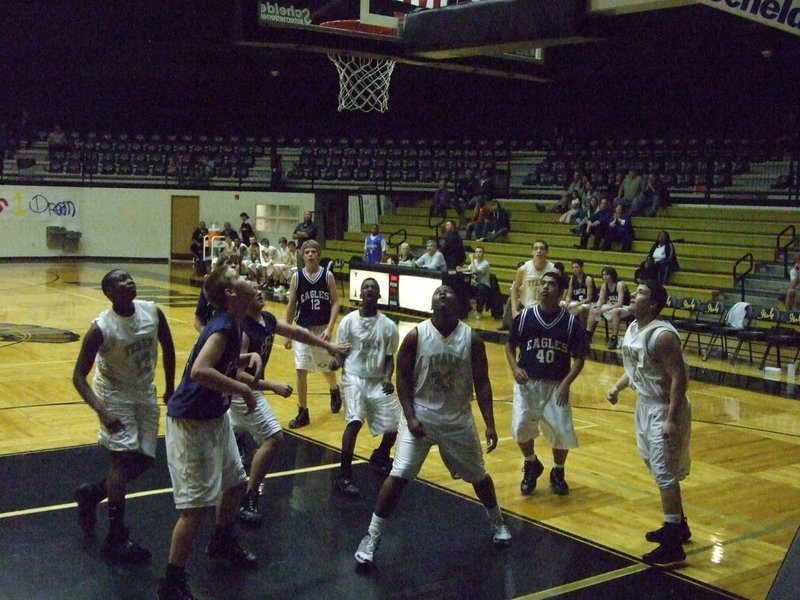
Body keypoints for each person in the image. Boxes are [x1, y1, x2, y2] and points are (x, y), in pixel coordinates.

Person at [353, 285, 511, 568]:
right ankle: (372, 536)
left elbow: (483, 382)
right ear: (431, 304)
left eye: (448, 292)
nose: (442, 295)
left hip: (458, 418)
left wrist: (490, 423)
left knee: (479, 476)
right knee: (399, 474)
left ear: (458, 304)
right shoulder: (416, 336)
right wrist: (411, 417)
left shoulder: (471, 339)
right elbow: (402, 378)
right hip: (422, 416)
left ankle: (497, 522)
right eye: (438, 292)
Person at [157, 265, 262, 600]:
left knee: (235, 483)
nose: (246, 277)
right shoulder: (221, 328)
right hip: (191, 421)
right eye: (239, 276)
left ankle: (221, 541)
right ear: (230, 293)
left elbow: (222, 362)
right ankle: (171, 582)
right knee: (195, 508)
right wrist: (242, 390)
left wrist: (249, 356)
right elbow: (202, 370)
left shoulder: (234, 323)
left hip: (214, 417)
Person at [73, 269, 176, 564]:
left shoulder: (152, 312)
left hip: (144, 391)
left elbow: (168, 347)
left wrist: (170, 387)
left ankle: (92, 494)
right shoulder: (102, 328)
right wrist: (102, 410)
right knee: (121, 459)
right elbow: (78, 376)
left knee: (145, 459)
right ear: (109, 293)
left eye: (130, 279)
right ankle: (116, 537)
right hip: (114, 396)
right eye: (121, 282)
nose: (129, 283)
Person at [234, 282, 347, 526]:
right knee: (274, 437)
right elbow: (235, 374)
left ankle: (232, 494)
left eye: (259, 289)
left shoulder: (267, 319)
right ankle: (250, 496)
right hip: (238, 391)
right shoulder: (244, 328)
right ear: (243, 300)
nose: (259, 292)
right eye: (253, 292)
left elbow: (299, 333)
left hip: (244, 390)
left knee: (233, 442)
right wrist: (272, 385)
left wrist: (328, 345)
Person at [607, 279, 692, 566]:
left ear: (653, 303)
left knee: (664, 472)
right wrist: (617, 387)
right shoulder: (633, 328)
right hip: (645, 405)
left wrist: (671, 418)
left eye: (641, 292)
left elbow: (680, 379)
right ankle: (678, 525)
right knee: (655, 466)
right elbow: (635, 369)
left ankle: (673, 546)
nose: (633, 294)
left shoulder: (663, 336)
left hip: (665, 408)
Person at [504, 272, 587, 496]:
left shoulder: (570, 323)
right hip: (528, 383)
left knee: (561, 431)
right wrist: (514, 368)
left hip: (556, 385)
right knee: (521, 427)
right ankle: (531, 464)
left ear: (560, 293)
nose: (545, 288)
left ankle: (558, 471)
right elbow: (510, 345)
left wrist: (566, 383)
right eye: (543, 283)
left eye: (551, 285)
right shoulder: (525, 317)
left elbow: (579, 358)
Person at [331, 278, 401, 498]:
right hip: (353, 377)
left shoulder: (388, 326)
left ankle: (380, 455)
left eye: (373, 287)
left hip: (377, 380)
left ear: (379, 295)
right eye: (366, 287)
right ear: (360, 294)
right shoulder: (348, 322)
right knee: (354, 421)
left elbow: (390, 358)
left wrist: (389, 378)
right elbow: (341, 352)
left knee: (396, 425)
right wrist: (336, 361)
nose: (369, 290)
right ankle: (344, 475)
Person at [284, 240, 342, 429]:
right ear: (302, 256)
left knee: (326, 368)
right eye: (307, 252)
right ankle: (303, 411)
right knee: (301, 369)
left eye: (313, 252)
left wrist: (330, 328)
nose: (310, 255)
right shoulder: (297, 277)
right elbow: (292, 304)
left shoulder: (327, 276)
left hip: (322, 328)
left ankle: (334, 390)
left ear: (318, 255)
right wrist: (287, 331)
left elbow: (335, 303)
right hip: (302, 329)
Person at [499, 240, 557, 331]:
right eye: (536, 248)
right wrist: (514, 310)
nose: (538, 251)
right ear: (532, 252)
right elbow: (515, 289)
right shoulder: (523, 269)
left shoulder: (553, 270)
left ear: (547, 252)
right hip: (529, 312)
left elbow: (560, 290)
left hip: (547, 312)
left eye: (542, 248)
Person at [586, 266, 632, 350]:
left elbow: (620, 303)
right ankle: (588, 334)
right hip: (612, 306)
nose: (604, 276)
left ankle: (614, 338)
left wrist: (604, 309)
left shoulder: (620, 284)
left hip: (625, 307)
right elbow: (600, 300)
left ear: (612, 275)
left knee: (615, 311)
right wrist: (597, 307)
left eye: (606, 275)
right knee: (593, 308)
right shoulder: (604, 286)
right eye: (603, 275)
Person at [561, 259, 597, 328]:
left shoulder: (588, 279)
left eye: (576, 267)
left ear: (582, 267)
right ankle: (566, 328)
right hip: (579, 302)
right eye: (573, 267)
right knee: (561, 305)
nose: (574, 269)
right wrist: (567, 302)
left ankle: (583, 331)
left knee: (581, 309)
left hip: (591, 303)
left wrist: (575, 305)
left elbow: (589, 298)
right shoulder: (572, 279)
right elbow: (569, 295)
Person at [460, 246, 492, 319]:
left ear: (483, 253)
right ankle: (467, 308)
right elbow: (468, 269)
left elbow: (475, 271)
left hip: (484, 286)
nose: (478, 254)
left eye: (480, 252)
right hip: (475, 285)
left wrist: (471, 259)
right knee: (462, 287)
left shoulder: (486, 264)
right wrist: (460, 269)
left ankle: (479, 311)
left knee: (480, 290)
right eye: (476, 252)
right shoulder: (474, 262)